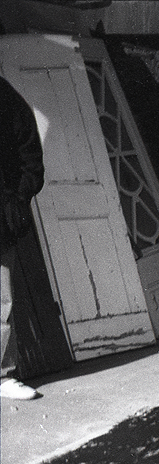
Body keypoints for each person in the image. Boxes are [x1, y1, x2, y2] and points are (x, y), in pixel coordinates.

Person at [1, 76, 45, 400]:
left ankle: (2, 375)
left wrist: (17, 199)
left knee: (0, 298)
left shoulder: (3, 96)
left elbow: (30, 154)